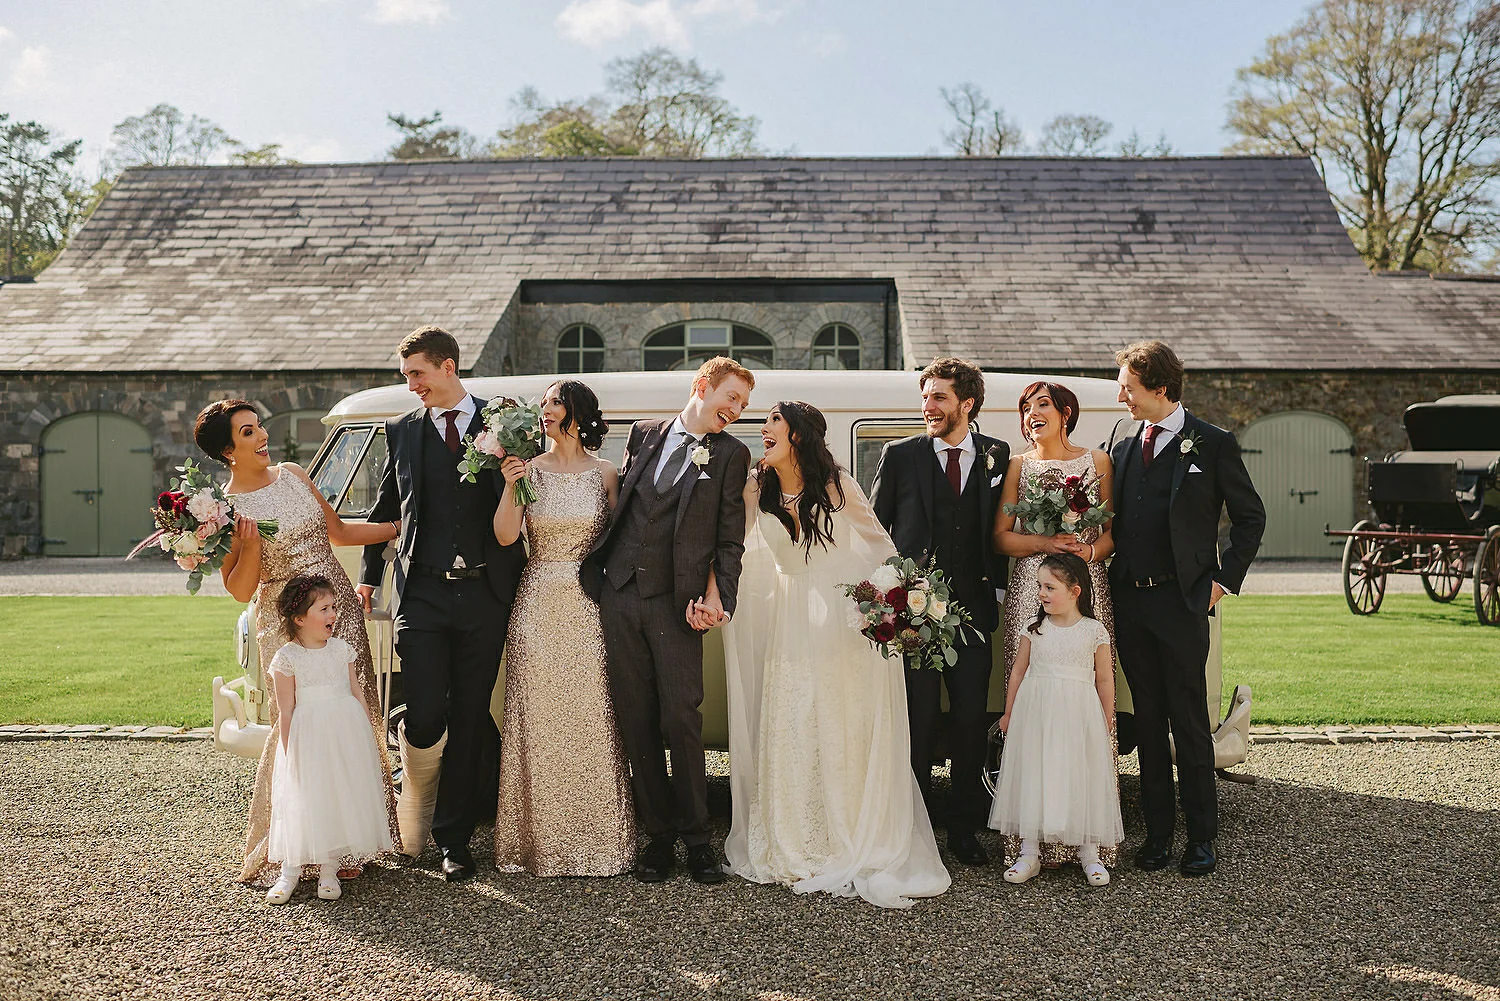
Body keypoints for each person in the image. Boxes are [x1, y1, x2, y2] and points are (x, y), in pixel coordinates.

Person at [723, 402, 951, 909]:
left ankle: (846, 830)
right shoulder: (756, 488)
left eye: (773, 424)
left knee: (839, 718)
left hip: (841, 621)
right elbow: (734, 547)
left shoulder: (836, 486)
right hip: (789, 618)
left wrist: (905, 602)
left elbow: (881, 546)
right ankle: (798, 835)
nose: (763, 432)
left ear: (798, 436)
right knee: (795, 719)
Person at [199, 399, 400, 887]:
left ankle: (353, 841)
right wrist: (247, 543)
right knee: (300, 725)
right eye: (248, 432)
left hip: (337, 613)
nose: (262, 435)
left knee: (355, 718)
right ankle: (297, 843)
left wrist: (403, 527)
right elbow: (241, 590)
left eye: (259, 426)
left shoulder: (292, 473)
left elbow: (339, 531)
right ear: (228, 450)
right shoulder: (224, 511)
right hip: (284, 622)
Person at [356, 325, 528, 882]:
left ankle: (453, 839)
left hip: (485, 592)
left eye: (418, 375)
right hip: (423, 592)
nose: (412, 387)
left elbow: (525, 499)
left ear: (448, 367)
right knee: (425, 711)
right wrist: (369, 574)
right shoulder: (403, 431)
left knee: (471, 715)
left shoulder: (503, 422)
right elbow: (389, 504)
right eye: (408, 377)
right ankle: (417, 810)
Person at [582, 356, 753, 885]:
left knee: (681, 717)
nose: (736, 411)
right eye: (731, 398)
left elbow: (728, 539)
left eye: (743, 405)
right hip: (619, 593)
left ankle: (698, 838)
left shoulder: (730, 454)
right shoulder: (646, 433)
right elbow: (628, 506)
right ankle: (656, 836)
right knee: (636, 716)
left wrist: (718, 595)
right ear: (702, 386)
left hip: (676, 603)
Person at [1107, 340, 1265, 878]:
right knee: (1147, 722)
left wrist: (1224, 580)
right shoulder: (1123, 443)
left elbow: (1251, 518)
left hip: (1182, 602)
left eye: (1128, 386)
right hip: (1130, 599)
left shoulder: (1213, 444)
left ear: (1160, 389)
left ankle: (1201, 839)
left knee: (1189, 722)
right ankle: (1156, 837)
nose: (1121, 395)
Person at [490, 380, 635, 877]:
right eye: (544, 404)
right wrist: (510, 486)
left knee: (593, 715)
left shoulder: (607, 475)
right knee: (538, 716)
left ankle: (601, 840)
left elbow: (621, 544)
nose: (544, 411)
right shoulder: (527, 471)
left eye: (554, 403)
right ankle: (538, 843)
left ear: (577, 413)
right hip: (537, 602)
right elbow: (507, 535)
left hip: (591, 607)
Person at [869, 358, 1009, 867]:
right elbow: (877, 531)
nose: (928, 407)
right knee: (918, 720)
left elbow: (997, 528)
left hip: (972, 612)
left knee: (972, 720)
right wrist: (886, 598)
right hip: (913, 613)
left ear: (966, 404)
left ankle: (966, 829)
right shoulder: (900, 454)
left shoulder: (998, 454)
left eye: (939, 398)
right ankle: (914, 827)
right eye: (925, 396)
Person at [992, 380, 1118, 869]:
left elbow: (1110, 533)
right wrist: (1046, 544)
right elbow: (1003, 538)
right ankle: (1029, 844)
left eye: (1041, 406)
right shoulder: (1018, 467)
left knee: (1084, 696)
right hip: (1032, 586)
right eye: (1026, 408)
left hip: (1086, 583)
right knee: (1030, 701)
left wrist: (1085, 550)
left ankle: (1090, 839)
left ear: (1066, 412)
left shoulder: (1097, 462)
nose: (1031, 414)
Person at [989, 554, 1123, 888]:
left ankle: (1089, 853)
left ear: (1075, 591)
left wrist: (1105, 720)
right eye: (1038, 586)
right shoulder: (1035, 628)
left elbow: (1105, 679)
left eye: (1050, 586)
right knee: (1036, 773)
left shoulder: (1094, 630)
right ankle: (1029, 852)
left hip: (1079, 714)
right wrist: (1009, 712)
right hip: (1037, 713)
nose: (1041, 593)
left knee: (1080, 775)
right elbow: (1018, 670)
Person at [263, 574, 396, 904]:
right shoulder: (287, 658)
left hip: (344, 733)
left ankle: (328, 869)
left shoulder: (341, 651)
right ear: (299, 619)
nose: (333, 615)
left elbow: (357, 692)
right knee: (306, 798)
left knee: (336, 797)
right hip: (308, 737)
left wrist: (367, 735)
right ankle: (289, 872)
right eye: (324, 609)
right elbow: (286, 710)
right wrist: (289, 750)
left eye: (333, 607)